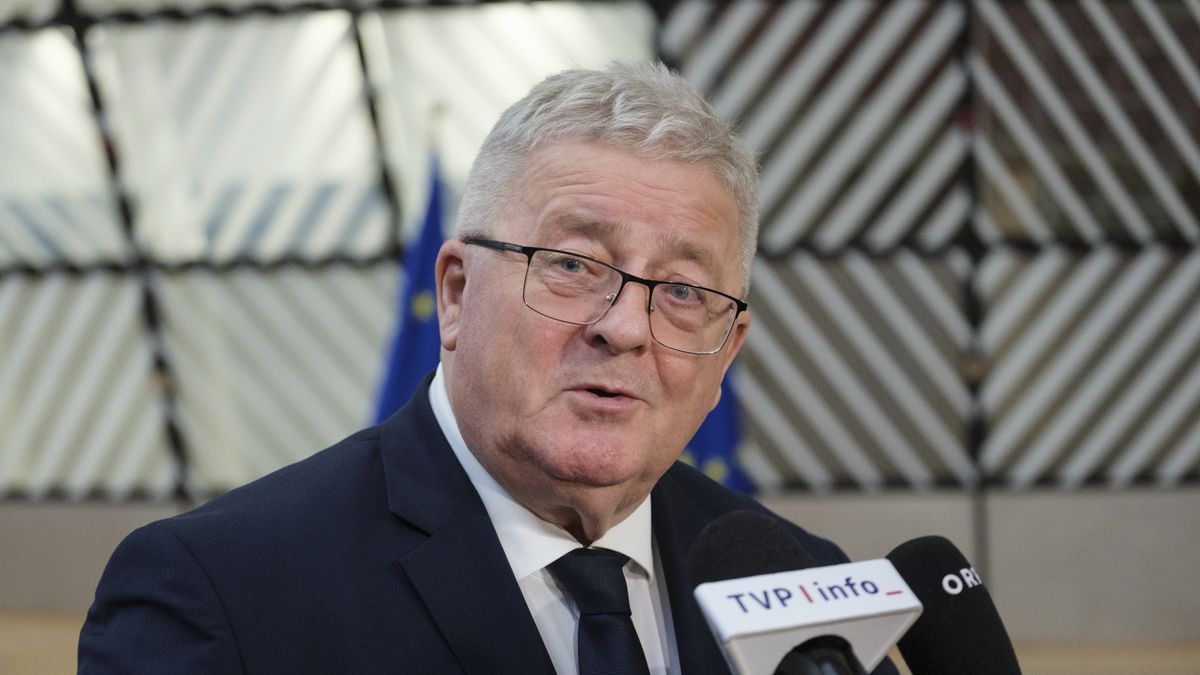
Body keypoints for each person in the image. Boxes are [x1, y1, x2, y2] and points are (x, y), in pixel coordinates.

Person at [78, 61, 898, 675]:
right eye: (573, 265)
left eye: (683, 290)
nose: (624, 327)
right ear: (456, 293)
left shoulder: (804, 582)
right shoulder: (219, 592)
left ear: (728, 351)